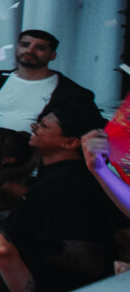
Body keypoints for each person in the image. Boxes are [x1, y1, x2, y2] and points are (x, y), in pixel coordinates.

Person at [9, 97, 123, 250]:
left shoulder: (70, 184)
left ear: (70, 142)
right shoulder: (54, 174)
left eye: (44, 126)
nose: (34, 127)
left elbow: (74, 247)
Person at [0, 29, 92, 133]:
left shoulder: (71, 92)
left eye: (40, 48)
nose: (30, 50)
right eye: (25, 45)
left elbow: (87, 131)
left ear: (52, 55)